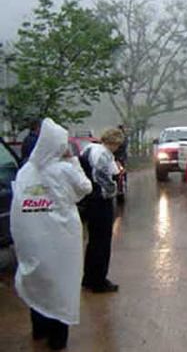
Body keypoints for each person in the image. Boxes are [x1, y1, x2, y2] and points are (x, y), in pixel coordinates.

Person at [10, 118, 92, 350]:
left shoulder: (27, 170)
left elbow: (18, 203)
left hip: (33, 238)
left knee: (39, 280)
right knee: (60, 282)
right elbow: (86, 188)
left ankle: (39, 330)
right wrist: (74, 159)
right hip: (61, 238)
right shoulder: (65, 169)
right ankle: (58, 338)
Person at [81, 128, 124, 293]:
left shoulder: (89, 148)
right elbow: (101, 176)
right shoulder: (103, 154)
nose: (118, 148)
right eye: (117, 144)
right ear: (113, 142)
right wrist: (113, 189)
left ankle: (88, 277)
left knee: (93, 241)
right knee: (102, 241)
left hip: (89, 200)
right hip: (100, 200)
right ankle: (99, 280)